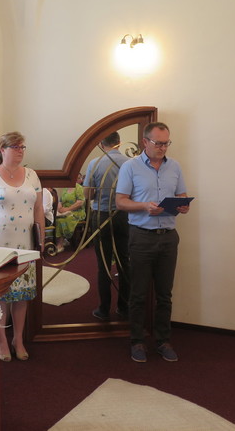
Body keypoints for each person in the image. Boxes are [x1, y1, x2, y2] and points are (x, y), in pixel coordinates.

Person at [115, 122, 190, 363]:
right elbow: (120, 202)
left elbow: (181, 194)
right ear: (145, 142)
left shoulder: (175, 166)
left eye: (166, 143)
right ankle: (137, 341)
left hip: (168, 237)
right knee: (138, 294)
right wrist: (144, 206)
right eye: (158, 143)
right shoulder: (130, 167)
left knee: (165, 294)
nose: (163, 148)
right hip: (141, 236)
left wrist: (183, 204)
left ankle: (163, 341)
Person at [0, 131, 44, 362]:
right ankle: (2, 340)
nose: (20, 151)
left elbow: (38, 210)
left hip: (26, 246)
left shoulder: (32, 175)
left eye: (22, 147)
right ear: (2, 150)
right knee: (2, 297)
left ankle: (18, 339)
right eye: (15, 147)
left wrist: (41, 240)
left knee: (22, 296)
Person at [83, 131, 130, 322]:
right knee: (124, 262)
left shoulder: (95, 163)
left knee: (103, 264)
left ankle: (103, 309)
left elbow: (88, 194)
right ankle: (124, 307)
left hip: (101, 216)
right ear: (119, 142)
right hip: (124, 215)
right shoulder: (129, 163)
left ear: (102, 144)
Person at [54, 173, 86, 252]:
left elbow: (80, 202)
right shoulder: (65, 188)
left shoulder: (79, 188)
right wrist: (59, 208)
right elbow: (60, 201)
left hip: (77, 212)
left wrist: (67, 209)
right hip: (66, 211)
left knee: (63, 220)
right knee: (56, 219)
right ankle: (62, 241)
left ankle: (60, 244)